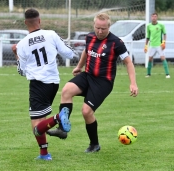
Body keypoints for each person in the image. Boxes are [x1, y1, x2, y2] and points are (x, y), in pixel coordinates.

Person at [46, 12, 138, 153]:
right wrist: (79, 67)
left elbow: (128, 62)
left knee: (86, 112)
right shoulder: (90, 37)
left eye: (103, 29)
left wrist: (133, 83)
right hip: (88, 76)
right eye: (97, 28)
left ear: (109, 27)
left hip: (103, 82)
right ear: (94, 25)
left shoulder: (116, 42)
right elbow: (86, 51)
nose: (100, 32)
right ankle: (62, 129)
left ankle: (94, 145)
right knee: (66, 91)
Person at [13, 8, 76, 160]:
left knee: (36, 127)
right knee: (41, 122)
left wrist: (16, 55)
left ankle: (59, 118)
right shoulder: (51, 34)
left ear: (25, 23)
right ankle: (44, 154)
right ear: (39, 20)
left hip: (38, 84)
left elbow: (22, 72)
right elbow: (70, 53)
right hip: (53, 83)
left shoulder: (21, 44)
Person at [144, 12, 170, 78]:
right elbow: (148, 37)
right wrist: (146, 46)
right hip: (152, 45)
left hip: (159, 45)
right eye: (153, 16)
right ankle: (148, 74)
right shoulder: (149, 26)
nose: (154, 18)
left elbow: (165, 34)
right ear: (151, 17)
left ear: (157, 17)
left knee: (162, 58)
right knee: (150, 59)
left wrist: (164, 42)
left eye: (155, 16)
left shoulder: (161, 25)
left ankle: (167, 74)